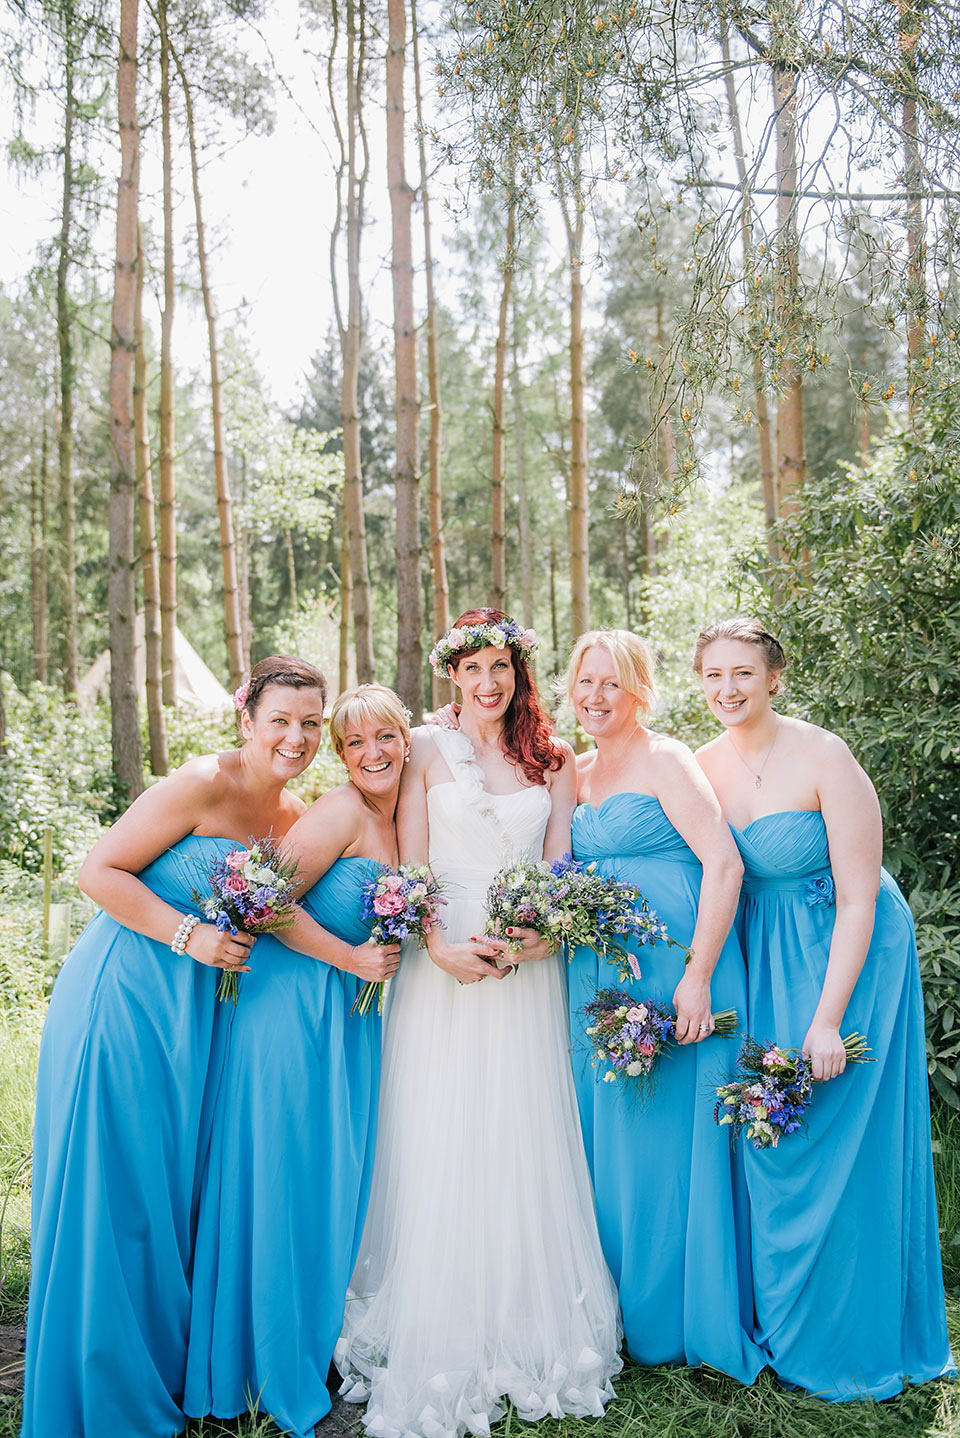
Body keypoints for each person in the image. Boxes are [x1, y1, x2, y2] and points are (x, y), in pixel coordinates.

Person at [20, 655, 328, 1438]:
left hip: (200, 1021)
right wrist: (187, 936)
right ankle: (101, 1394)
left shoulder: (297, 816)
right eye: (281, 721)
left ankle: (163, 1369)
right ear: (246, 721)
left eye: (310, 723)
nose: (295, 738)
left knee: (165, 1196)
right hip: (125, 997)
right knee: (114, 1191)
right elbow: (100, 870)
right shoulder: (200, 783)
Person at [336, 610, 621, 1438]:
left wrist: (545, 936)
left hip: (526, 967)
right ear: (450, 676)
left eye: (501, 666)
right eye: (472, 670)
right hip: (444, 961)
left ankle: (524, 1312)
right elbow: (411, 858)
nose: (488, 683)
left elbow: (561, 867)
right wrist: (437, 945)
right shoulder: (423, 748)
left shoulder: (554, 758)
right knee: (441, 1128)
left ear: (518, 670)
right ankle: (433, 1304)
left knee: (518, 1130)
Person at [693, 616, 954, 1400]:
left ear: (775, 676)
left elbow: (858, 897)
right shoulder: (700, 765)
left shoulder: (824, 756)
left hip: (847, 955)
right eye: (713, 675)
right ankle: (780, 1320)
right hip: (759, 961)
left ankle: (854, 1329)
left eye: (743, 674)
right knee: (771, 1133)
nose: (727, 689)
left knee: (837, 1133)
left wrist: (827, 1016)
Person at [184, 684, 407, 1438]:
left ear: (407, 741)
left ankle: (305, 1346)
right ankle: (257, 1364)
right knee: (279, 1180)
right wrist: (350, 955)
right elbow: (263, 900)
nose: (371, 754)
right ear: (340, 757)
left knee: (323, 1182)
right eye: (353, 743)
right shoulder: (342, 810)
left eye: (385, 738)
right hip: (289, 1010)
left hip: (346, 1019)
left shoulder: (397, 815)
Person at [563, 630, 762, 1381]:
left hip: (679, 974)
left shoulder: (666, 759)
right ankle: (617, 1314)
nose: (596, 697)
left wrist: (700, 975)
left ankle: (681, 1318)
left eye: (612, 684)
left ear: (640, 689)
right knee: (613, 1142)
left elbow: (724, 861)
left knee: (674, 1146)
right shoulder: (574, 773)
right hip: (601, 982)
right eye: (585, 683)